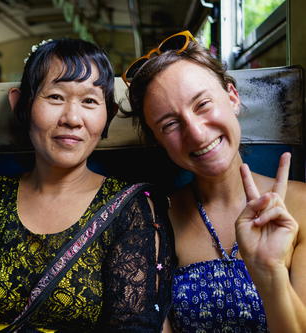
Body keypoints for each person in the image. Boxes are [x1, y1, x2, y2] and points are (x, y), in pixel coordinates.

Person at [0, 38, 175, 332]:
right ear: (21, 104)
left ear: (107, 113)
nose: (72, 118)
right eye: (55, 97)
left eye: (90, 101)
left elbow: (132, 325)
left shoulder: (130, 208)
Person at [123, 30, 306, 332]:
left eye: (202, 104)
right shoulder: (155, 221)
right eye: (170, 124)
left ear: (232, 97)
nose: (196, 133)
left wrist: (271, 273)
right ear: (159, 142)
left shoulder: (301, 204)